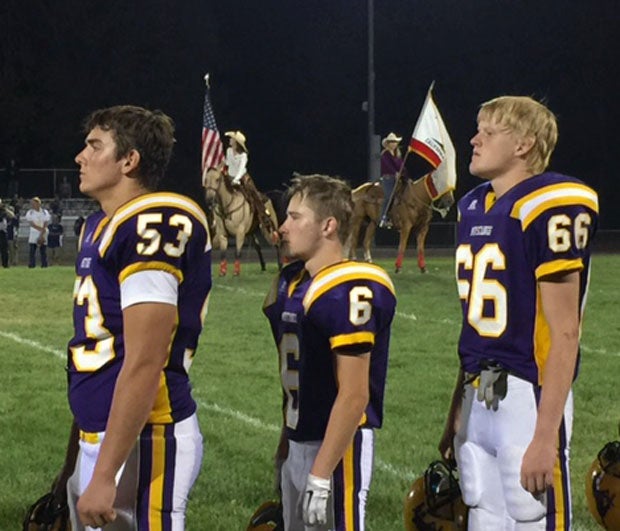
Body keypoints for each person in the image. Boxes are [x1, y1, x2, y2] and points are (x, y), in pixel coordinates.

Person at [439, 96, 599, 529]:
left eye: (489, 132)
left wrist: (545, 435)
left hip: (530, 396)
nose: (474, 139)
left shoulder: (551, 204)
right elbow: (475, 324)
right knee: (484, 516)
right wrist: (457, 405)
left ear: (524, 145)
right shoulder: (474, 206)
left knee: (531, 516)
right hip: (480, 393)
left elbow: (565, 332)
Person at [57, 105, 212, 530]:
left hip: (147, 437)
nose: (80, 157)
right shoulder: (101, 226)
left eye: (94, 146)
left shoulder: (154, 222)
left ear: (129, 160)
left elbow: (146, 358)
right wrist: (74, 465)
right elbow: (103, 353)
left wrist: (105, 474)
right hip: (104, 432)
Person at [263, 174, 396, 530]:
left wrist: (321, 473)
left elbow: (354, 395)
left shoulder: (348, 286)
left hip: (338, 445)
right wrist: (285, 444)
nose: (283, 226)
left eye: (295, 217)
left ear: (328, 226)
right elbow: (297, 378)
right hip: (299, 438)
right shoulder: (292, 282)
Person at [223, 130, 274, 234]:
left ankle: (264, 216)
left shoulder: (243, 156)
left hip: (242, 179)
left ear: (236, 142)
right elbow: (228, 163)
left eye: (231, 139)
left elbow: (241, 169)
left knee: (254, 195)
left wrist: (236, 179)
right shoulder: (228, 151)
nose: (230, 140)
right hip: (229, 177)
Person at [377, 132, 409, 229]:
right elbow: (387, 165)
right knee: (389, 196)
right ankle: (383, 217)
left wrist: (406, 176)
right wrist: (395, 173)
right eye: (391, 142)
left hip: (398, 179)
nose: (393, 144)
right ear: (388, 144)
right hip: (388, 178)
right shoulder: (385, 155)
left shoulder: (397, 155)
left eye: (395, 142)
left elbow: (402, 167)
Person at [25, 196, 51, 268]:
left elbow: (46, 222)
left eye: (34, 203)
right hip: (34, 231)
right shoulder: (30, 213)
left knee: (43, 249)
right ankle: (32, 264)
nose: (33, 205)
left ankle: (44, 264)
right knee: (32, 249)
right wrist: (40, 229)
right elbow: (31, 224)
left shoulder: (45, 212)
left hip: (43, 231)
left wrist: (42, 231)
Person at [0, 198, 15, 267]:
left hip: (2, 232)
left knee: (4, 250)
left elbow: (12, 215)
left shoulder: (3, 210)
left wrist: (5, 209)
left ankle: (5, 264)